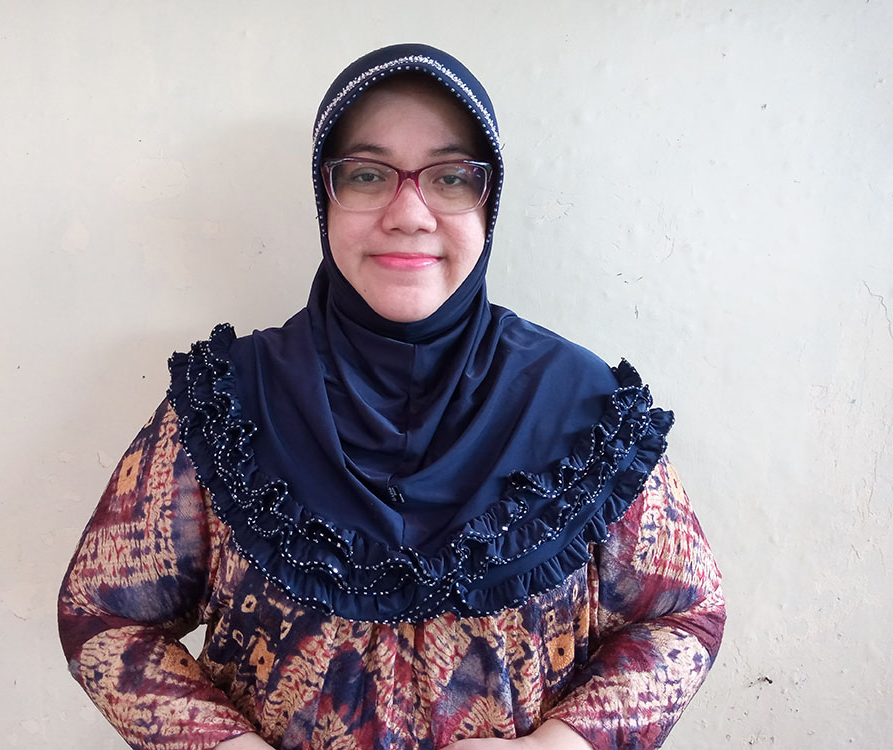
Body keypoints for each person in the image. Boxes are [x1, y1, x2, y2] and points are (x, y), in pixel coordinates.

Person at [58, 43, 725, 750]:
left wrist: (561, 746)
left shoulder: (584, 412)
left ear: (489, 203)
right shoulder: (227, 409)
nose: (409, 214)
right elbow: (103, 616)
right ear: (325, 197)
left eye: (451, 177)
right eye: (368, 174)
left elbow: (685, 615)